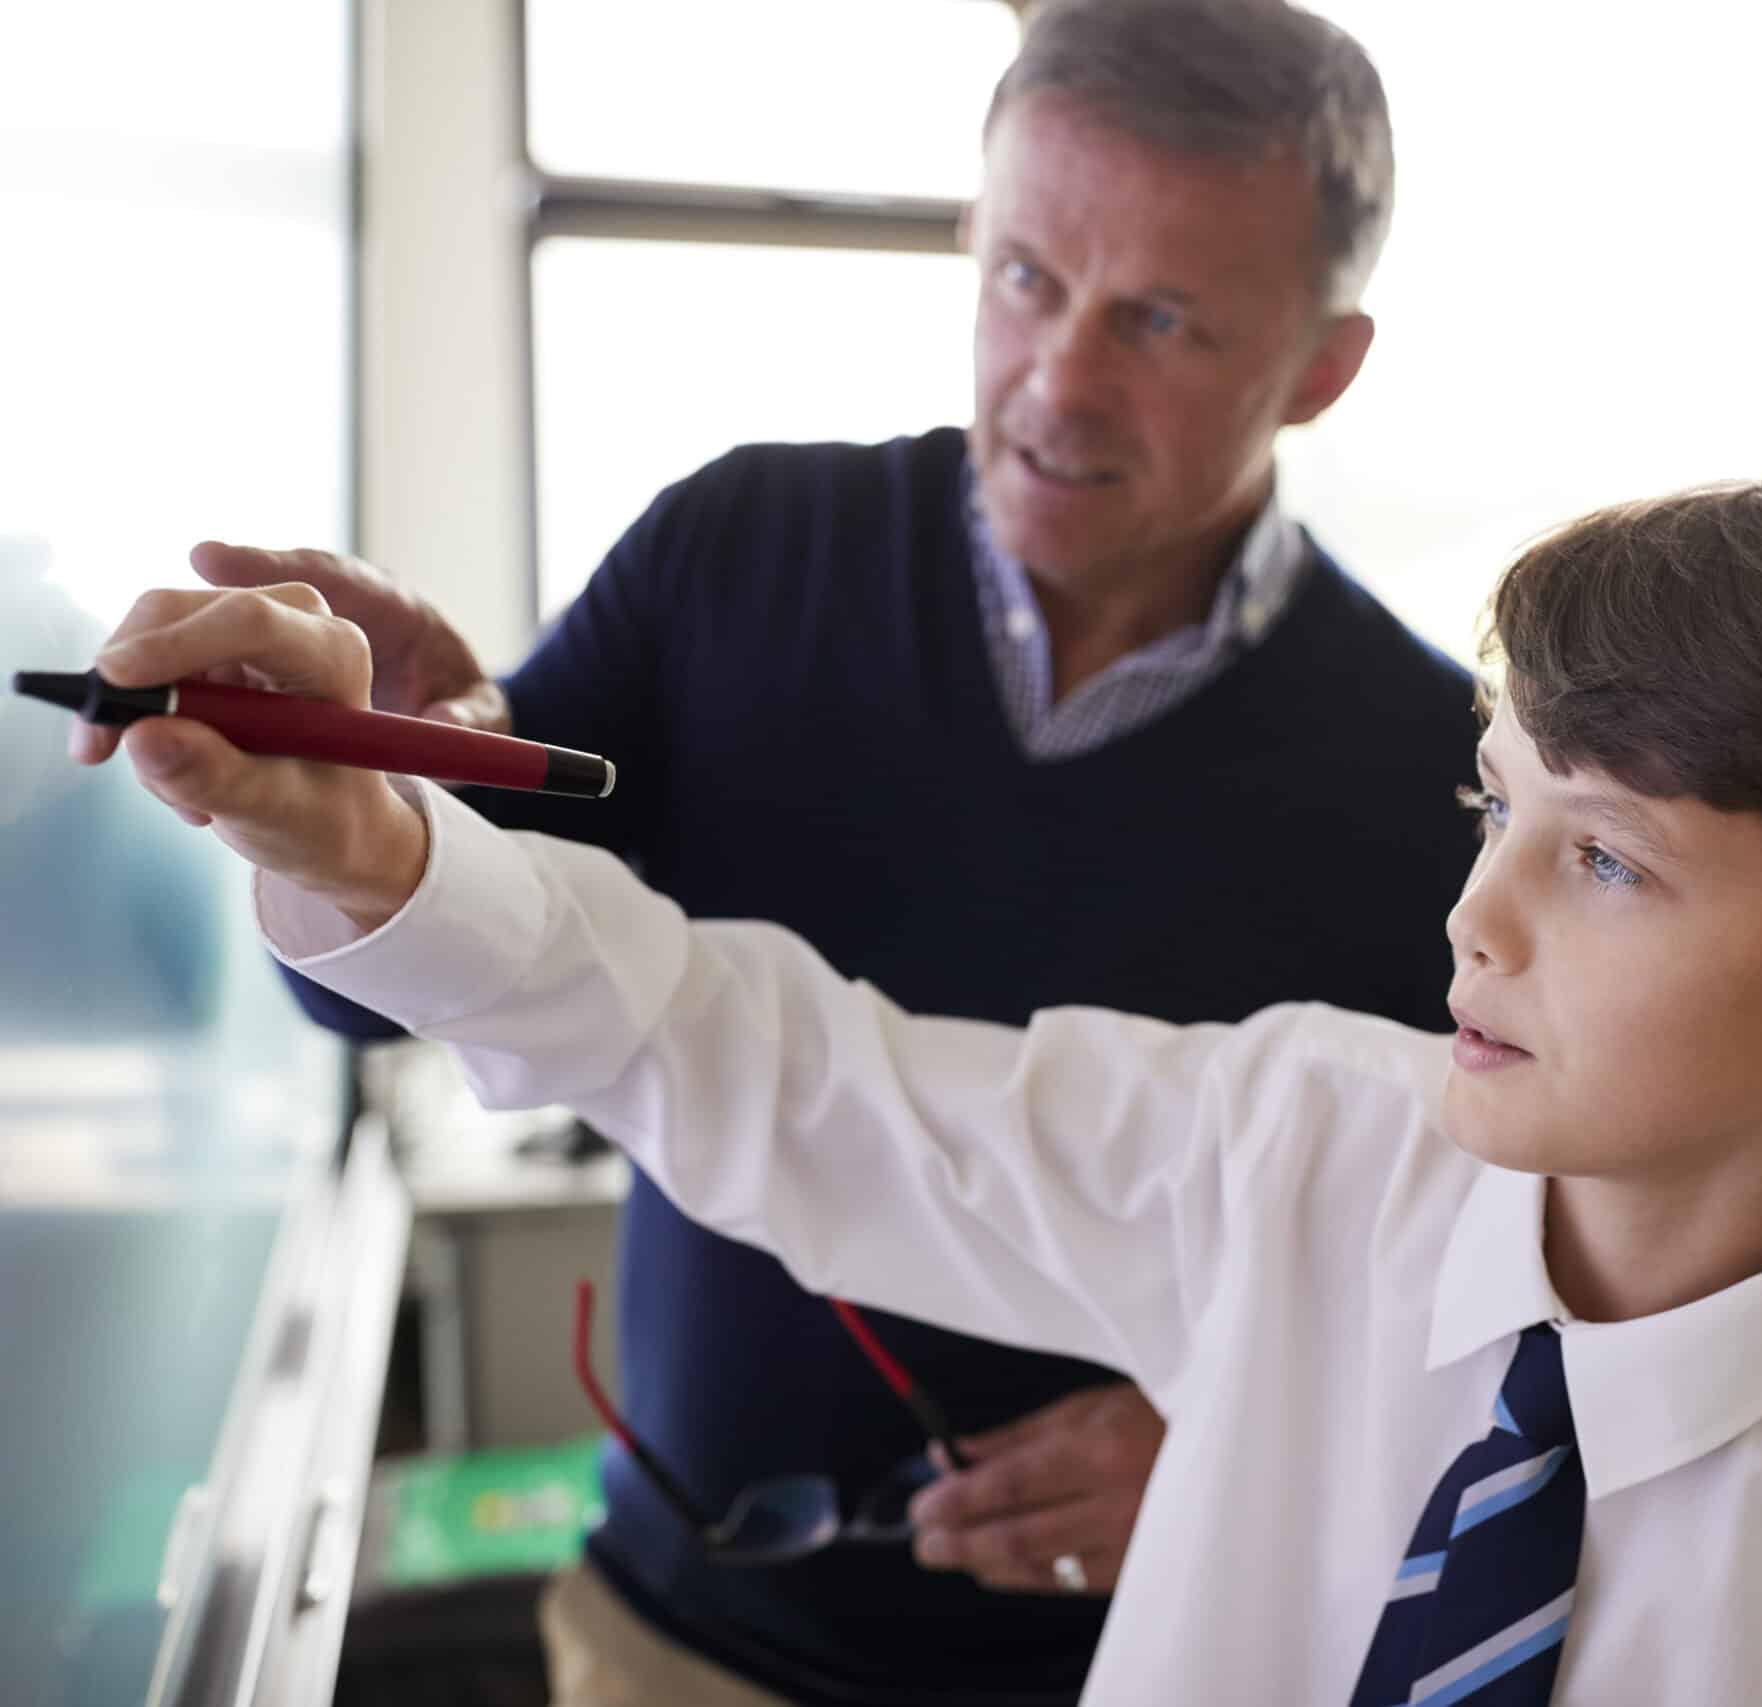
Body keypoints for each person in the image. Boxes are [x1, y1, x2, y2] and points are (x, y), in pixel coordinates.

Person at [85, 454, 1762, 1701]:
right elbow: (783, 1073)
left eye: (1600, 856)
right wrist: (368, 847)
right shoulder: (1306, 1149)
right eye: (1491, 803)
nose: (1473, 917)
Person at [116, 3, 1480, 1699]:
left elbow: (1500, 1280)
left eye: (1164, 320)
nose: (1058, 378)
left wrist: (1267, 1437)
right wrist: (375, 801)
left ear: (1324, 365)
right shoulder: (737, 549)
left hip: (1158, 1664)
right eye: (1024, 279)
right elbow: (392, 994)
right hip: (677, 1642)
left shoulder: (1448, 787)